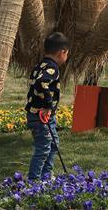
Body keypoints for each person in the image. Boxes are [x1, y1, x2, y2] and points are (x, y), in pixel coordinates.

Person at [25, 31, 70, 181]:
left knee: (53, 143)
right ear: (62, 52)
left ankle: (46, 175)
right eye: (67, 53)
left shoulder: (41, 65)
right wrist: (48, 106)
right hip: (40, 115)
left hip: (41, 115)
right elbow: (41, 83)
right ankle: (34, 180)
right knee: (44, 147)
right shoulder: (52, 68)